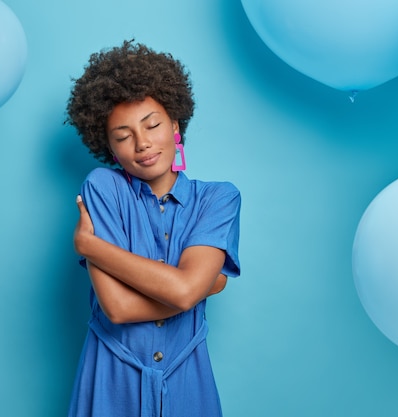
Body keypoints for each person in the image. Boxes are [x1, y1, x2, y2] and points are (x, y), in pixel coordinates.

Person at [66, 40, 241, 417]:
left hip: (188, 379)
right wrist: (198, 285)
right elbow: (116, 307)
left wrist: (91, 247)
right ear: (109, 148)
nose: (142, 143)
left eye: (153, 125)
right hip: (111, 378)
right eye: (123, 135)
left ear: (175, 124)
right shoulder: (102, 187)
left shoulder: (218, 199)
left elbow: (182, 293)